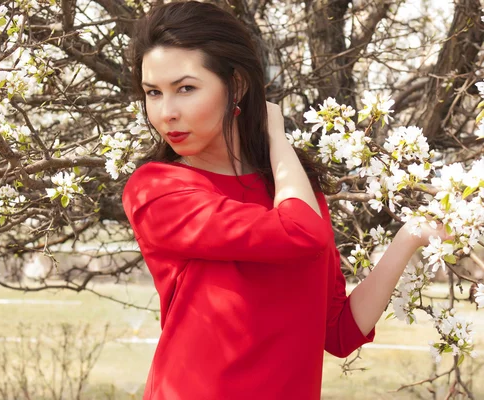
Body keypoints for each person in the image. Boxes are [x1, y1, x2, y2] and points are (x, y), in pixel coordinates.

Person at [121, 2, 452, 399]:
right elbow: (300, 233)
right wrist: (275, 132)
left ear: (237, 85)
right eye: (153, 93)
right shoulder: (157, 190)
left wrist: (409, 237)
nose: (166, 112)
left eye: (185, 88)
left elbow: (340, 331)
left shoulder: (295, 193)